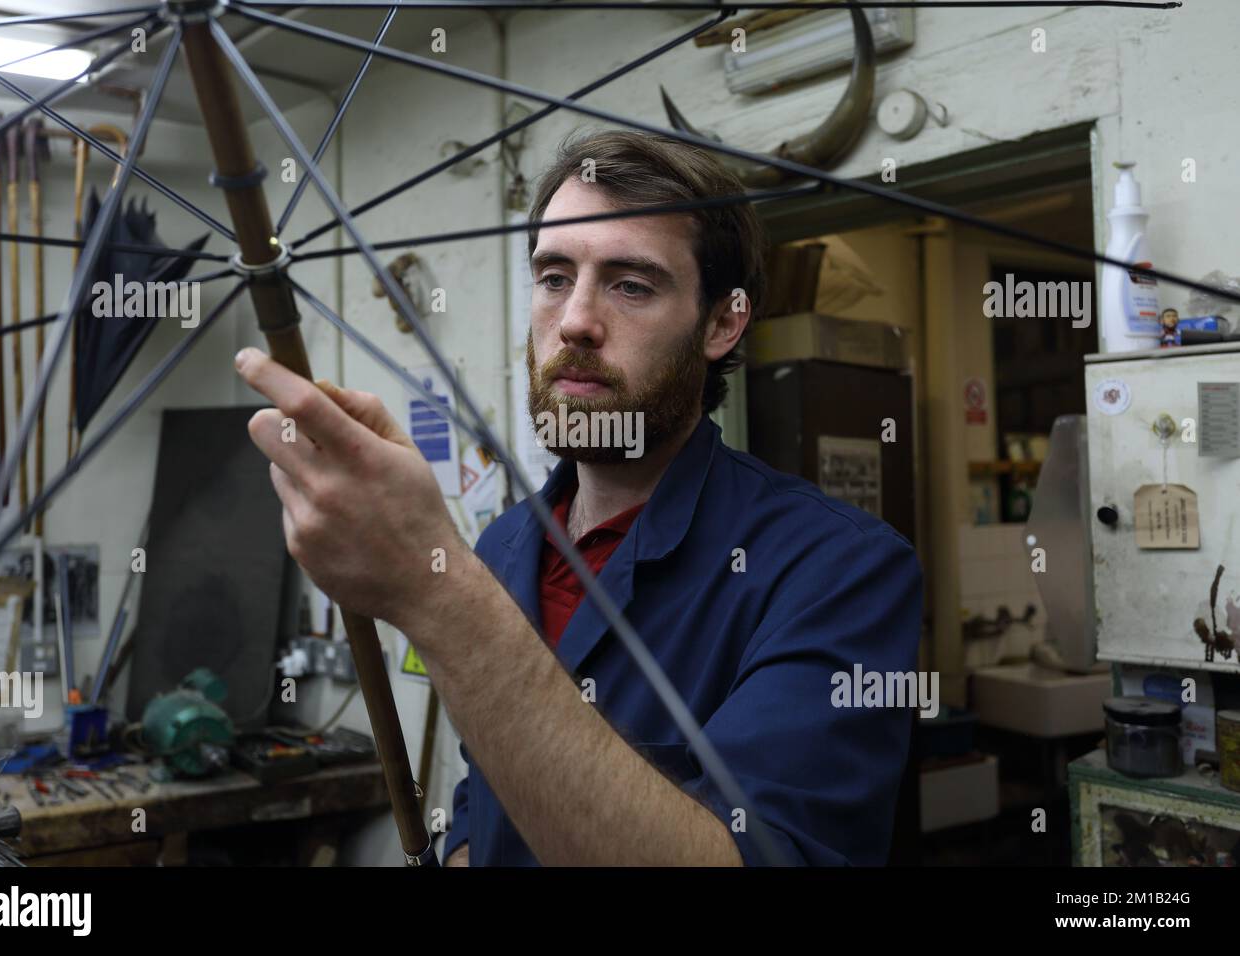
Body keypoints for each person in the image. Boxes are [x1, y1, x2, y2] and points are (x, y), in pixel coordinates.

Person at [234, 129, 923, 866]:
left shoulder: (839, 572)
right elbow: (488, 795)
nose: (575, 321)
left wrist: (435, 593)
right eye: (555, 277)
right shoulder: (502, 548)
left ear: (723, 321)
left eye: (631, 284)